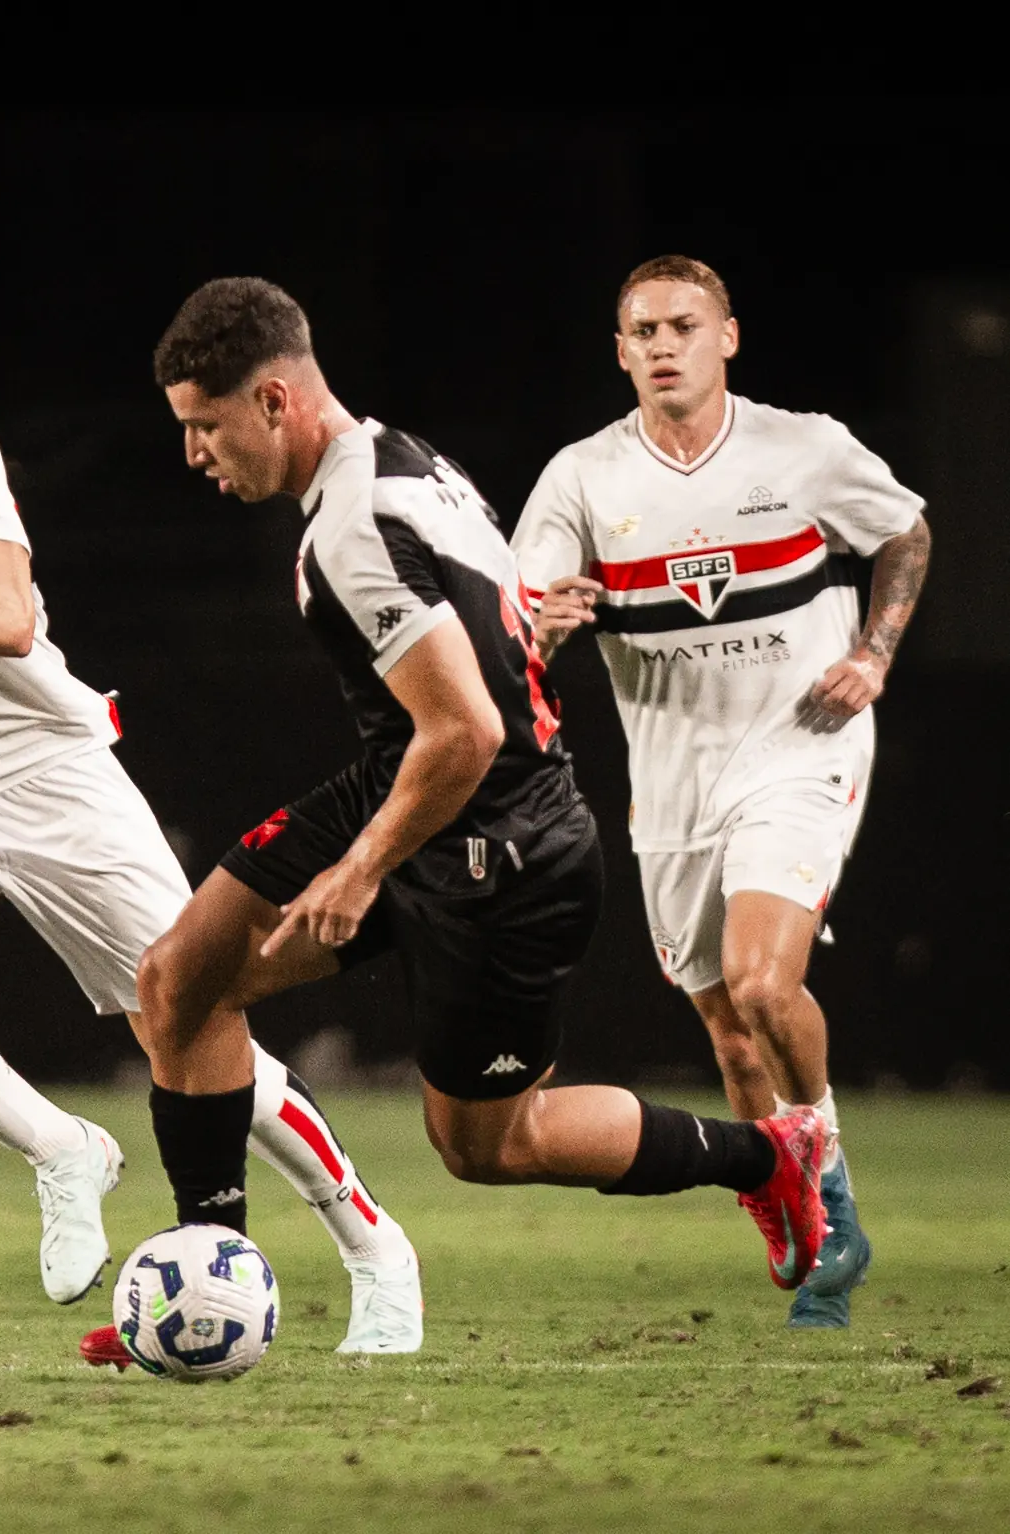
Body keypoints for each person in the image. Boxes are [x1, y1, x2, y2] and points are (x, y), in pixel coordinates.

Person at [80, 277, 833, 1367]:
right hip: (411, 787)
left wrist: (357, 871)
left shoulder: (354, 524)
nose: (194, 453)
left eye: (206, 425)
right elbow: (483, 651)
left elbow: (468, 730)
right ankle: (208, 1287)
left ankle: (766, 1157)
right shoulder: (401, 460)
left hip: (503, 850)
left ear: (274, 401)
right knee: (175, 982)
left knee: (488, 1146)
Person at [0, 283, 423, 1349]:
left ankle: (374, 1245)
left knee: (190, 1026)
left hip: (47, 769)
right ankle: (62, 1150)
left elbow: (6, 615)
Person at [512, 256, 929, 1327]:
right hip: (672, 784)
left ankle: (832, 1197)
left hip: (803, 747)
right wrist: (543, 629)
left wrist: (874, 652)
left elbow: (905, 530)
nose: (663, 345)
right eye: (643, 330)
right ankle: (783, 1195)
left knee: (760, 983)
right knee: (729, 1031)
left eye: (683, 326)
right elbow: (519, 628)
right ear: (619, 352)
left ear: (727, 337)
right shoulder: (582, 478)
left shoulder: (804, 447)